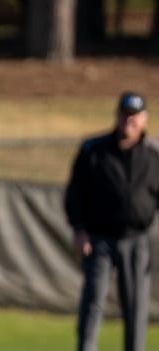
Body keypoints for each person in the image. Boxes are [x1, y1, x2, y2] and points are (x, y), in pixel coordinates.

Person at [64, 91, 159, 351]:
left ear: (144, 119)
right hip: (99, 239)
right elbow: (75, 193)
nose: (129, 121)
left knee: (136, 307)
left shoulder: (154, 154)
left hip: (136, 240)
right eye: (125, 115)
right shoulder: (94, 150)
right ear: (117, 116)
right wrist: (79, 229)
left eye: (134, 116)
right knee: (93, 303)